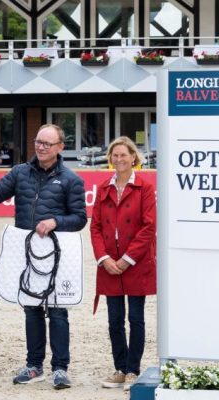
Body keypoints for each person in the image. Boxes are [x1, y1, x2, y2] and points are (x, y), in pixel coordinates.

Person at [0, 124, 86, 390]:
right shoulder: (20, 173)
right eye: (38, 141)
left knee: (59, 312)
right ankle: (34, 365)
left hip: (58, 254)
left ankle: (60, 369)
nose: (40, 147)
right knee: (31, 309)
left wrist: (55, 221)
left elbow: (80, 219)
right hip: (28, 252)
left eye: (47, 144)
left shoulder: (72, 180)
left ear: (60, 147)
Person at [89, 136, 156, 392]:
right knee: (114, 320)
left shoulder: (145, 187)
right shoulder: (103, 188)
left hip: (135, 262)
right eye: (114, 156)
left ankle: (133, 369)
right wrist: (104, 258)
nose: (119, 160)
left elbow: (149, 226)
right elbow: (95, 226)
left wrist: (127, 259)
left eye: (123, 155)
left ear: (133, 158)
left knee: (136, 318)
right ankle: (119, 368)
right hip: (109, 264)